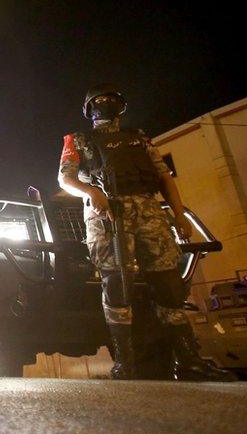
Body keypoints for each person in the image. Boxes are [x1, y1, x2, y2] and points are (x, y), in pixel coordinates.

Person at [58, 83, 234, 381]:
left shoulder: (138, 138)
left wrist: (179, 215)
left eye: (111, 99)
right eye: (99, 100)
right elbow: (65, 178)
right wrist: (89, 191)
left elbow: (164, 177)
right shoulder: (79, 140)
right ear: (89, 109)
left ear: (121, 105)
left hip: (149, 213)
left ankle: (188, 360)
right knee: (118, 286)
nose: (105, 104)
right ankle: (125, 364)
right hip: (108, 217)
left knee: (169, 285)